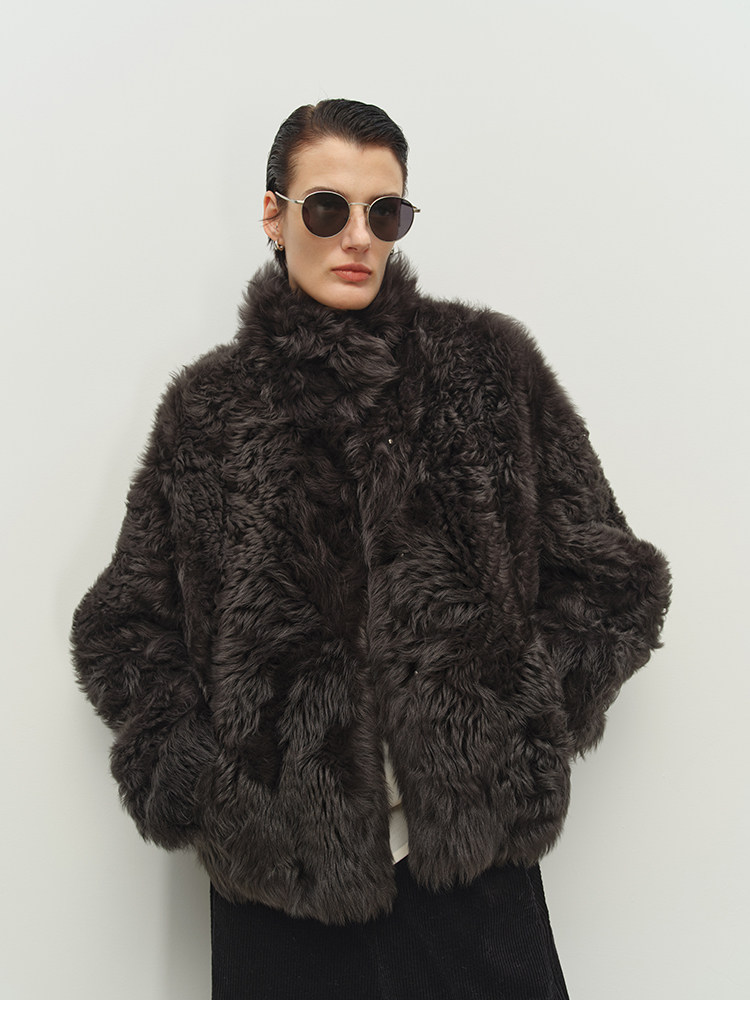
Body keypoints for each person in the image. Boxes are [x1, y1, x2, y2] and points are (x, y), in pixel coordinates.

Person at [71, 99, 671, 1000]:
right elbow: (122, 629)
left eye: (383, 212)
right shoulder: (208, 412)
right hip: (280, 889)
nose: (357, 236)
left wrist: (518, 722)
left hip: (471, 871)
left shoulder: (488, 370)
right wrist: (209, 784)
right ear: (273, 215)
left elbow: (614, 582)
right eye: (327, 208)